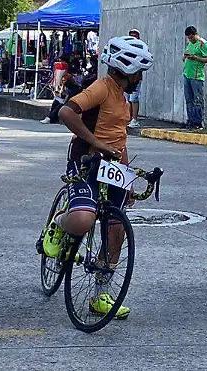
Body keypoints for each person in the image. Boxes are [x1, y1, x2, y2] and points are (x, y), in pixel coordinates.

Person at [41, 35, 153, 319]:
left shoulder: (124, 99)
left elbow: (120, 141)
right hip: (86, 162)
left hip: (113, 169)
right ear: (129, 69)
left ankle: (101, 292)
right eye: (140, 71)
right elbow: (66, 112)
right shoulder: (102, 87)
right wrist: (97, 144)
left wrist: (127, 180)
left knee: (116, 228)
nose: (141, 77)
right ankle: (58, 224)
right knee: (82, 219)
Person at [182, 25, 207, 129]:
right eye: (189, 38)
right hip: (187, 74)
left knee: (197, 100)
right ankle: (190, 120)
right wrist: (185, 56)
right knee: (189, 99)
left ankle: (198, 122)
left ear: (196, 34)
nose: (190, 39)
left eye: (192, 37)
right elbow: (185, 56)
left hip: (197, 76)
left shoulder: (203, 44)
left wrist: (196, 58)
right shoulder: (190, 43)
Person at [125, 28, 143, 128]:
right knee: (127, 99)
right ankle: (128, 117)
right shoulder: (126, 48)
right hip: (127, 77)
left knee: (134, 98)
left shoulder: (140, 49)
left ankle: (135, 119)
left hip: (136, 77)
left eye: (135, 36)